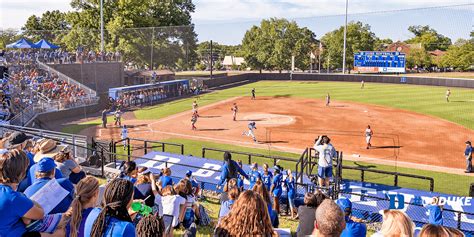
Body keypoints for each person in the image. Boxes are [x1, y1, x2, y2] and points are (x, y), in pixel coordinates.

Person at [0, 150, 45, 237]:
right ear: (21, 173)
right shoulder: (14, 198)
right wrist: (24, 197)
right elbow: (40, 214)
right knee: (60, 232)